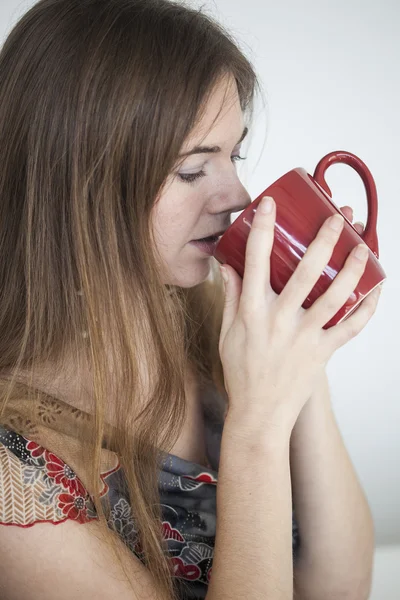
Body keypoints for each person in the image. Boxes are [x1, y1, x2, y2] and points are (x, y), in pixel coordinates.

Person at [0, 0, 380, 599]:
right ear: (80, 184)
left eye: (234, 155)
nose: (238, 193)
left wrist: (301, 342)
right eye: (191, 171)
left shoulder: (208, 321)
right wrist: (257, 430)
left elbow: (339, 587)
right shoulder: (15, 476)